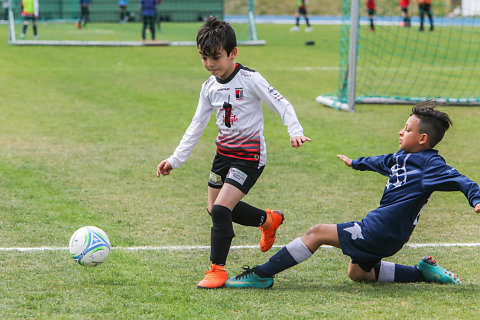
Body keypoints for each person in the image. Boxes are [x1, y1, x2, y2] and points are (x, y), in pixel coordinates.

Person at [225, 101, 480, 289]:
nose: (401, 132)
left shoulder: (431, 164)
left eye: (407, 129)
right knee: (358, 274)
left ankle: (261, 274)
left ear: (423, 138)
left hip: (381, 229)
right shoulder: (402, 157)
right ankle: (422, 273)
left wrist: (476, 198)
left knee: (317, 233)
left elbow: (460, 180)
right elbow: (382, 161)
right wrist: (355, 162)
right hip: (389, 234)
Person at [157, 16, 311, 289]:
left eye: (215, 57)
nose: (209, 64)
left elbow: (282, 104)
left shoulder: (251, 79)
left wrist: (294, 131)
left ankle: (217, 270)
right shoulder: (208, 87)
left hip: (249, 157)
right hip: (223, 155)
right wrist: (174, 159)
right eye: (203, 58)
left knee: (219, 209)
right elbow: (196, 125)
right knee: (214, 209)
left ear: (233, 53)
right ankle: (268, 219)